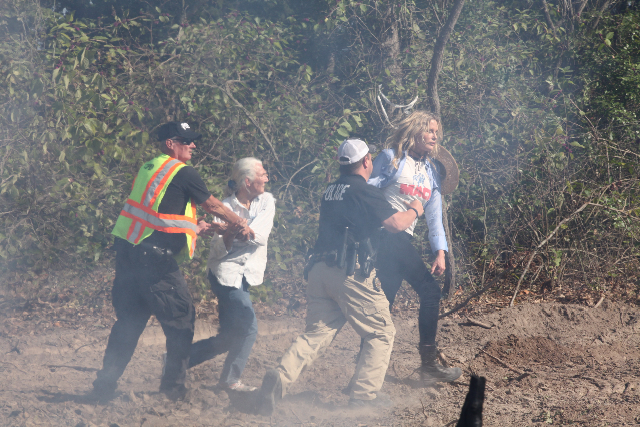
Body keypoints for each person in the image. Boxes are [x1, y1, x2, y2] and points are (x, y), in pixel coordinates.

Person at [256, 138, 425, 415]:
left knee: (317, 333)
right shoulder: (363, 191)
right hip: (349, 271)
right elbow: (395, 224)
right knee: (381, 332)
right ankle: (364, 396)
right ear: (367, 161)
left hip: (320, 272)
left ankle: (279, 378)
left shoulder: (330, 190)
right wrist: (415, 209)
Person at [92, 121, 253, 401]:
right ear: (170, 143)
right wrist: (239, 222)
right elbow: (213, 205)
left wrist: (195, 227)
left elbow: (158, 214)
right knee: (181, 321)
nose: (193, 145)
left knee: (129, 322)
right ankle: (173, 391)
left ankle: (103, 387)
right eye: (186, 140)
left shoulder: (151, 167)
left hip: (131, 254)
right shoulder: (182, 171)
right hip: (155, 263)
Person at [368, 110, 462, 383]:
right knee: (430, 292)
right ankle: (428, 366)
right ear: (414, 131)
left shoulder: (431, 171)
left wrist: (440, 252)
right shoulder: (391, 158)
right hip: (383, 236)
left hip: (401, 242)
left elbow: (434, 218)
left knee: (384, 302)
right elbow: (367, 192)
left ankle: (368, 370)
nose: (435, 136)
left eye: (436, 132)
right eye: (429, 131)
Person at [187, 157, 274, 392]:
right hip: (224, 275)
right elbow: (217, 252)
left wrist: (239, 230)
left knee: (230, 337)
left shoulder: (267, 201)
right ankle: (230, 381)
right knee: (248, 326)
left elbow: (261, 236)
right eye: (263, 174)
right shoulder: (223, 207)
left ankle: (176, 361)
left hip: (246, 275)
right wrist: (228, 234)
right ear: (248, 181)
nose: (267, 178)